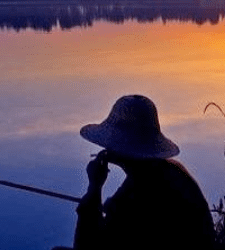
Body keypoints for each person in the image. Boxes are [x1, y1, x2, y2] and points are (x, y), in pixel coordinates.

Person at [72, 95, 215, 249]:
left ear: (123, 147)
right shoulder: (170, 171)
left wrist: (94, 188)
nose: (107, 146)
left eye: (112, 140)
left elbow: (86, 245)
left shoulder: (134, 197)